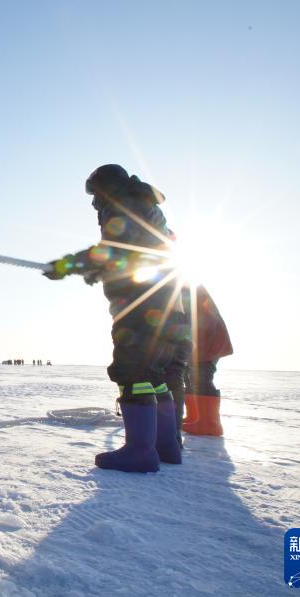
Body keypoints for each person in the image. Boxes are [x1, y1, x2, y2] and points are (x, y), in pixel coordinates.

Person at [43, 164, 182, 472]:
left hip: (142, 306)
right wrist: (99, 269)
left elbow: (115, 248)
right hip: (168, 304)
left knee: (132, 372)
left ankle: (140, 451)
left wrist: (68, 265)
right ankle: (166, 446)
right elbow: (133, 253)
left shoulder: (123, 204)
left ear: (106, 189)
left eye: (95, 196)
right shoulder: (144, 204)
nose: (94, 204)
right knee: (156, 376)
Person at [182, 285, 233, 436]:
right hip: (200, 339)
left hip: (207, 339)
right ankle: (195, 417)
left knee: (201, 376)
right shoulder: (182, 288)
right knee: (188, 375)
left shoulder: (184, 288)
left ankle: (209, 424)